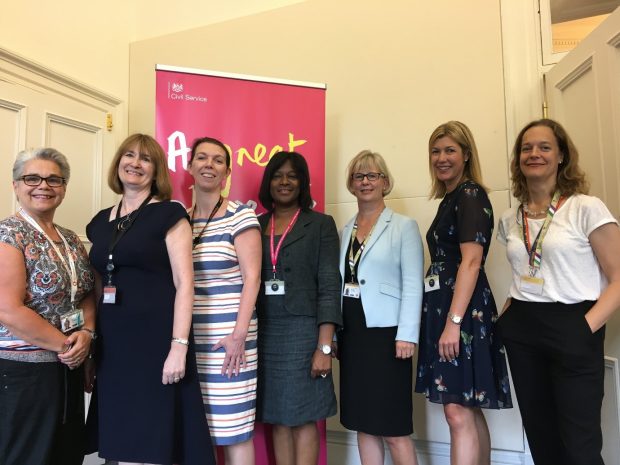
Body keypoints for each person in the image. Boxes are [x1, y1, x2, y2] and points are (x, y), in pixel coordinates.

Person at [496, 119, 620, 465]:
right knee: (542, 439)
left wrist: (584, 327)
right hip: (523, 326)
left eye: (544, 147)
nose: (534, 153)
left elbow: (618, 277)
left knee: (580, 446)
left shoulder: (585, 208)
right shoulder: (510, 218)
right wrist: (506, 318)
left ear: (562, 156)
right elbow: (524, 272)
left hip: (573, 324)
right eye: (526, 148)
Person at [87, 134, 214, 464]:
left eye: (145, 158)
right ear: (118, 163)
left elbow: (185, 283)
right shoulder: (100, 222)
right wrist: (92, 344)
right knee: (120, 435)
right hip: (114, 344)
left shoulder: (169, 214)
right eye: (129, 155)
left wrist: (178, 346)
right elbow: (98, 285)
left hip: (157, 341)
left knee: (154, 437)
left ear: (156, 169)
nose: (135, 163)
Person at [415, 121, 512, 465]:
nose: (441, 158)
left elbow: (471, 262)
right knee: (466, 407)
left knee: (457, 410)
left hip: (462, 311)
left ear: (466, 155)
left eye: (450, 150)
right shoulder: (452, 197)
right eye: (436, 151)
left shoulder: (470, 194)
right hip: (451, 308)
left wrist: (453, 322)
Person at [0, 148, 95, 465]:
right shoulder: (8, 234)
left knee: (65, 455)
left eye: (54, 179)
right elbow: (8, 309)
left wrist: (88, 335)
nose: (44, 185)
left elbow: (84, 294)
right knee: (28, 457)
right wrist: (70, 346)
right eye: (32, 178)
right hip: (24, 372)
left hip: (66, 367)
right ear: (16, 185)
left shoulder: (70, 239)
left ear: (64, 188)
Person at [255, 151, 342, 465]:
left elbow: (330, 285)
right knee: (277, 415)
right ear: (269, 182)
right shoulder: (256, 224)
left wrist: (325, 346)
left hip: (305, 333)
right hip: (264, 332)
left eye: (292, 175)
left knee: (304, 416)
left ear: (303, 183)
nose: (284, 182)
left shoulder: (320, 224)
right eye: (278, 175)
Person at [338, 150, 424, 465]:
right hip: (353, 334)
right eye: (359, 176)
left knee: (394, 426)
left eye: (372, 175)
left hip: (388, 336)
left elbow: (414, 285)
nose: (365, 182)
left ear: (384, 182)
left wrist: (408, 335)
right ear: (351, 183)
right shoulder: (345, 229)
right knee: (363, 422)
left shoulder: (404, 227)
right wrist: (334, 334)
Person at [188, 136, 261, 465]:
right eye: (202, 158)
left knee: (234, 429)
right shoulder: (179, 220)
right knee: (197, 429)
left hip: (229, 340)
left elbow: (253, 279)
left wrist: (238, 336)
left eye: (217, 160)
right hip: (190, 342)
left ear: (227, 172)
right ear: (190, 166)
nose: (209, 165)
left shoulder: (240, 216)